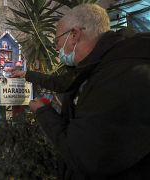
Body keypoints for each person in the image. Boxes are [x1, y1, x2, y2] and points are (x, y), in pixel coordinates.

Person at [11, 4, 150, 180]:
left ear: (74, 35)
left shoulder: (119, 75)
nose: (56, 48)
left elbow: (80, 155)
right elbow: (62, 82)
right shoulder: (100, 63)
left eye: (56, 41)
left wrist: (42, 111)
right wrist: (26, 74)